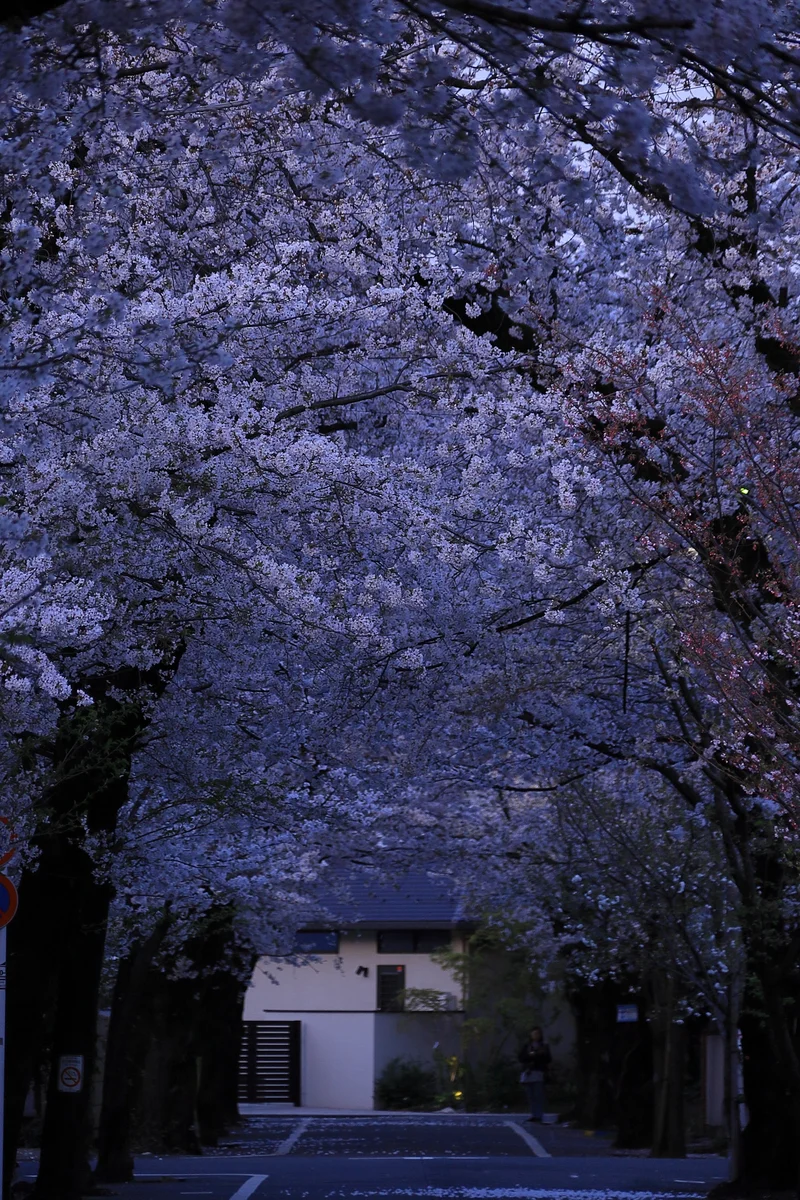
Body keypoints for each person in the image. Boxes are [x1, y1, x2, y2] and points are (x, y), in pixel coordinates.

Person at [518, 1026, 551, 1122]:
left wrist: (539, 1055)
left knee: (538, 1095)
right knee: (530, 1095)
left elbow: (548, 1059)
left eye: (537, 1034)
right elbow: (521, 1058)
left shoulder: (544, 1046)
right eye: (534, 1034)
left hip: (538, 1072)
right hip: (528, 1072)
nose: (535, 1036)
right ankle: (534, 1114)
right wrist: (530, 1055)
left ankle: (539, 1115)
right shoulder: (527, 1046)